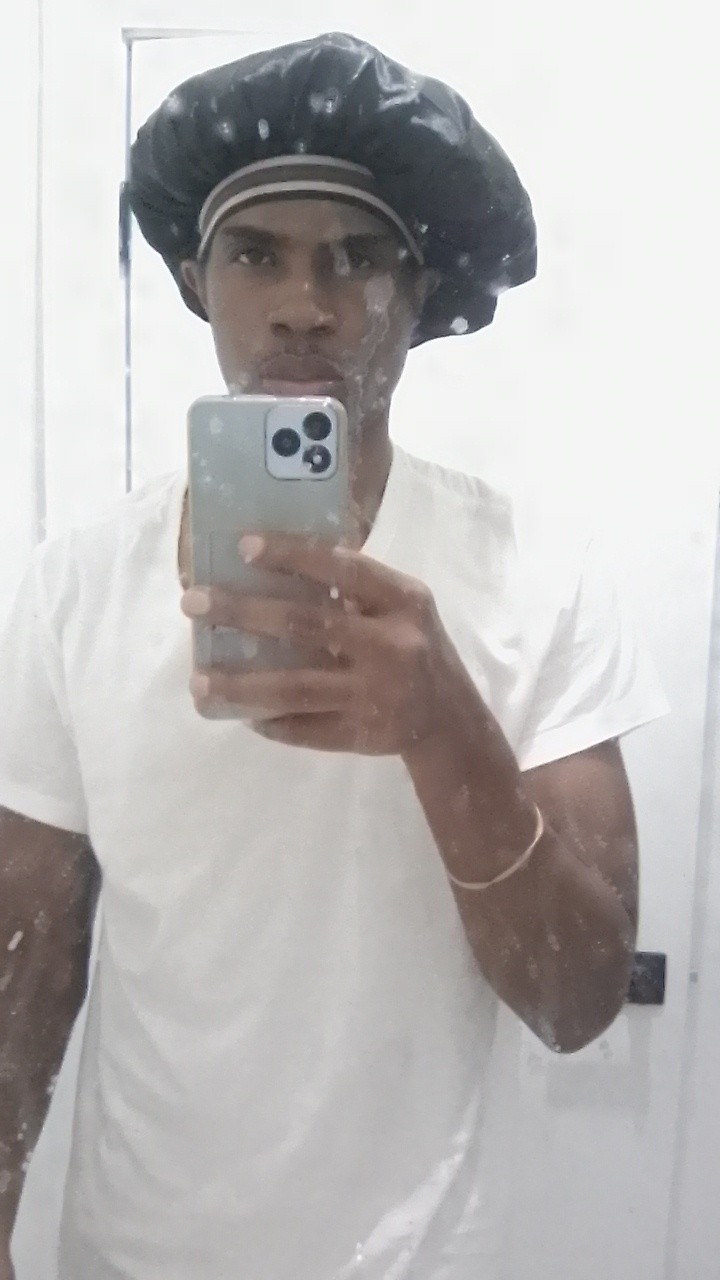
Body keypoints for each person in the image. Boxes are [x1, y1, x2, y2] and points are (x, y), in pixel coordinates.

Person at [0, 31, 668, 1280]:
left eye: (356, 258)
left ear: (418, 296)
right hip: (134, 1254)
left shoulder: (540, 579)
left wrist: (444, 727)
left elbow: (578, 1001)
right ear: (197, 280)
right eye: (256, 253)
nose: (304, 302)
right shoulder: (71, 588)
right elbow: (21, 970)